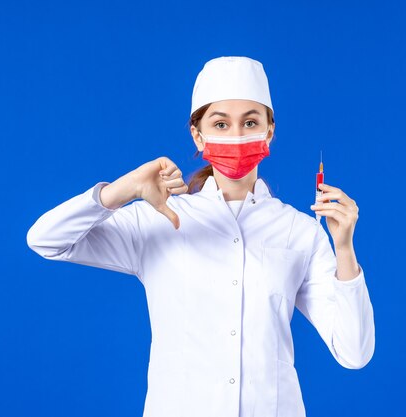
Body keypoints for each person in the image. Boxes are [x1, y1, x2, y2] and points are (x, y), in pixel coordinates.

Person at [27, 56, 375, 417]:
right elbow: (46, 239)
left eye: (250, 122)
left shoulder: (298, 232)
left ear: (270, 131)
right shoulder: (160, 218)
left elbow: (355, 352)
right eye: (220, 124)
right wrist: (120, 190)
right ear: (198, 134)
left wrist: (344, 247)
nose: (237, 136)